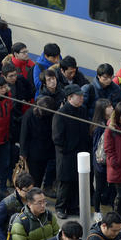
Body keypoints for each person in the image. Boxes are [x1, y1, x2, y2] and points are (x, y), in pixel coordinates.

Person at [52, 84, 90, 219]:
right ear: (69, 98)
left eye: (82, 96)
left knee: (77, 181)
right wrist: (67, 149)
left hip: (81, 152)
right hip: (66, 155)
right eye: (78, 96)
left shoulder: (82, 110)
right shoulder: (60, 114)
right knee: (65, 182)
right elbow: (57, 138)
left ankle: (73, 207)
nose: (81, 98)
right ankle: (60, 207)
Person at [19, 96, 57, 190]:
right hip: (33, 152)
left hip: (46, 148)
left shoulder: (50, 114)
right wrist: (23, 153)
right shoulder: (29, 115)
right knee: (34, 176)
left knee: (41, 174)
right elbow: (24, 135)